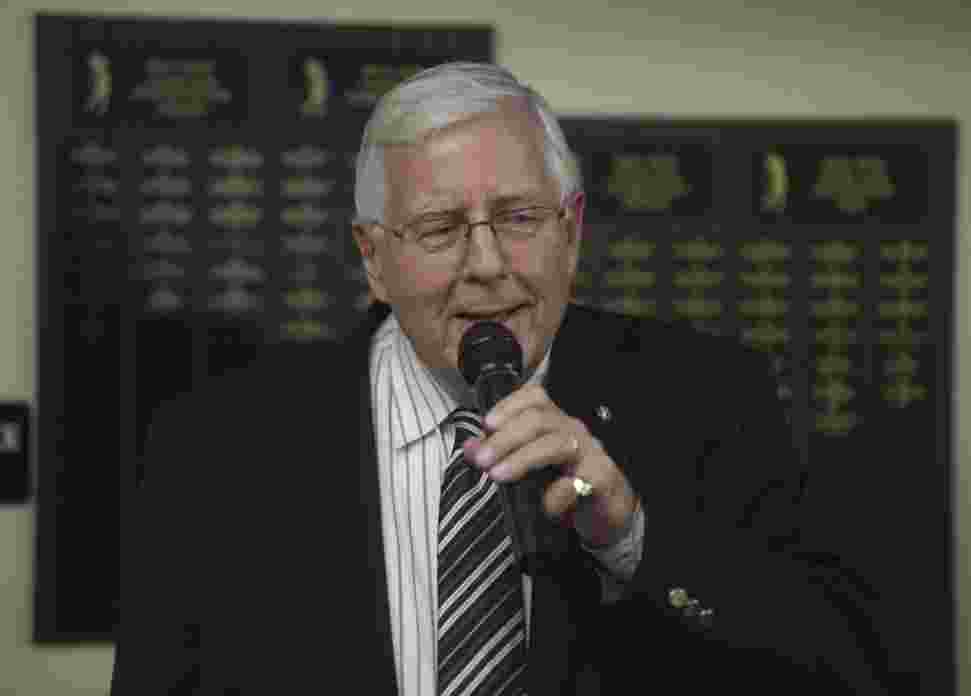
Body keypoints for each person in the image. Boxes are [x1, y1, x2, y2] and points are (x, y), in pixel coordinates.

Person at [110, 62, 900, 695]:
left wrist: (633, 540)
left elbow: (843, 663)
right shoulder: (212, 440)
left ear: (572, 230)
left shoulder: (708, 398)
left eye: (520, 218)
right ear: (374, 258)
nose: (487, 267)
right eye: (441, 228)